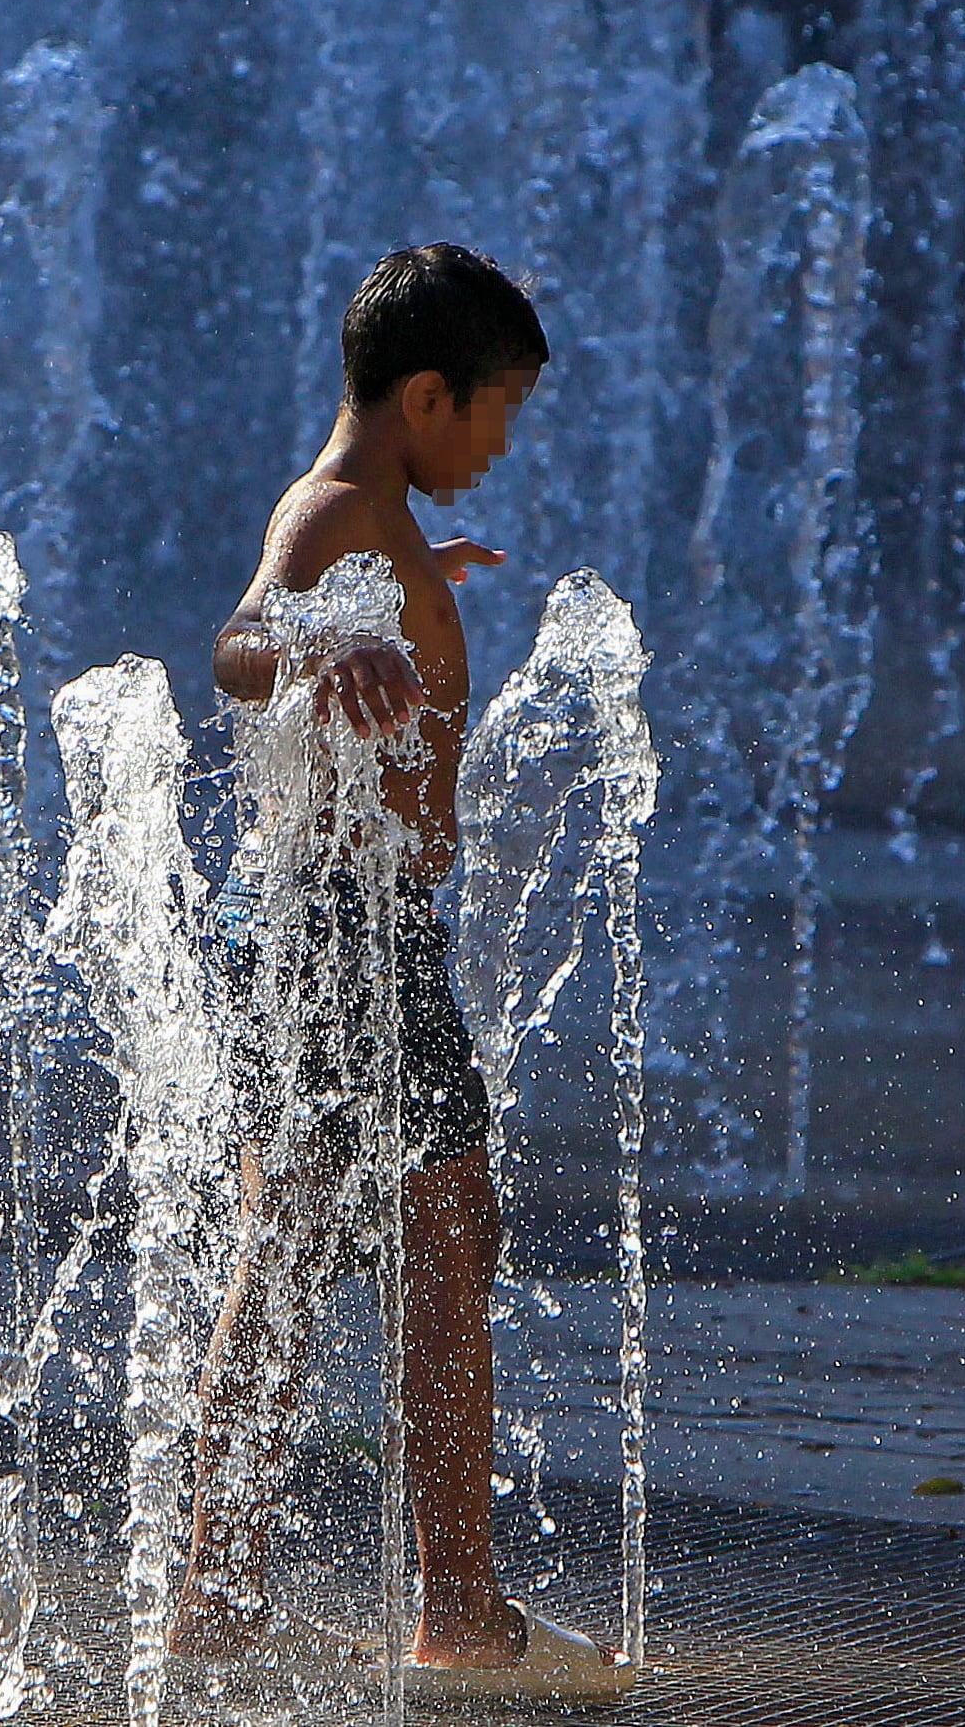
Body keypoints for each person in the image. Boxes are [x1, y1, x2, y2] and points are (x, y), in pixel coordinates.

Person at [168, 243, 627, 1701]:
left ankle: (234, 1588)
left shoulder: (379, 520)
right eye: (498, 410)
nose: (502, 444)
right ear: (427, 394)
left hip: (335, 923)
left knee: (327, 1240)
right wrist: (322, 633)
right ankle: (442, 1604)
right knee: (425, 1234)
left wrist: (414, 589)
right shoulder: (337, 512)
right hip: (339, 923)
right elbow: (240, 642)